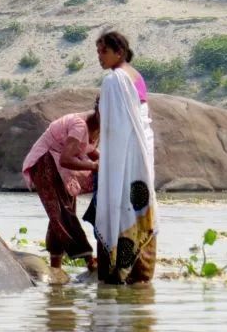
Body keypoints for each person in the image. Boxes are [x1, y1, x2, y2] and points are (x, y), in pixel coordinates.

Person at [95, 31, 157, 284]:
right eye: (98, 52)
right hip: (142, 152)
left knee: (119, 205)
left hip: (125, 154)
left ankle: (118, 271)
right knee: (140, 204)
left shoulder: (114, 79)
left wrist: (108, 162)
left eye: (103, 51)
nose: (99, 57)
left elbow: (116, 128)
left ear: (118, 52)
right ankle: (141, 275)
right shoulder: (135, 76)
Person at [22, 99, 100, 272]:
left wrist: (104, 162)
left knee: (59, 213)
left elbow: (88, 149)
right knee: (62, 212)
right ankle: (89, 260)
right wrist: (95, 166)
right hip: (45, 161)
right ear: (99, 111)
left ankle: (55, 266)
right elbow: (66, 158)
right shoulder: (80, 125)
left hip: (59, 165)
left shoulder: (98, 127)